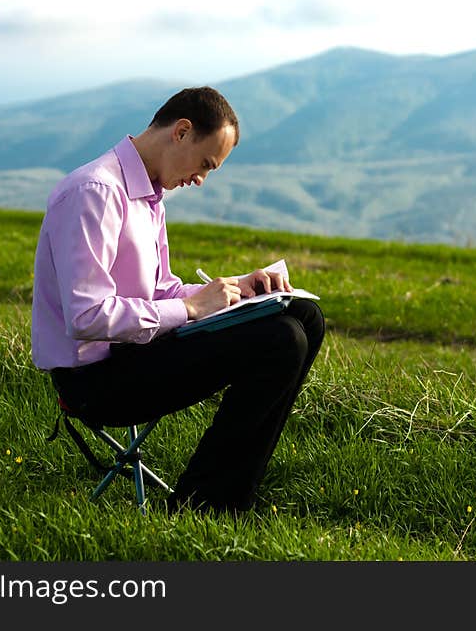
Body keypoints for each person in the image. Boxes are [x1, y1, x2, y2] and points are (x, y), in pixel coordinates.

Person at [31, 86, 325, 514]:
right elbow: (87, 316)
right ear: (182, 132)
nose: (202, 180)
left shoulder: (150, 195)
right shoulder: (93, 192)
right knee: (281, 339)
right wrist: (190, 309)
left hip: (137, 353)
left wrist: (236, 291)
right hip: (96, 380)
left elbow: (160, 290)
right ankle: (205, 506)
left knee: (304, 316)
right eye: (206, 164)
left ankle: (231, 491)